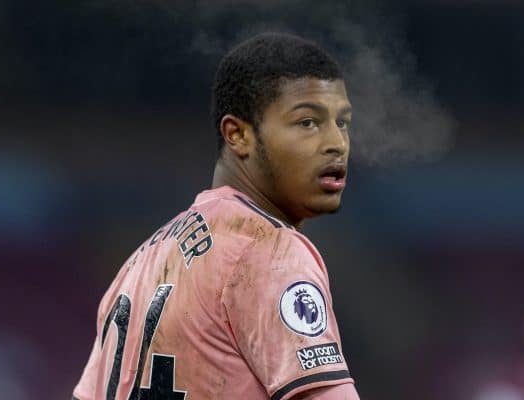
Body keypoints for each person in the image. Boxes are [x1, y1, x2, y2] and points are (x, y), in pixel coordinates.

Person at [72, 32, 359, 400]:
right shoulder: (268, 251)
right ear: (238, 134)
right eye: (307, 122)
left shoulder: (139, 263)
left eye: (343, 122)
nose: (337, 142)